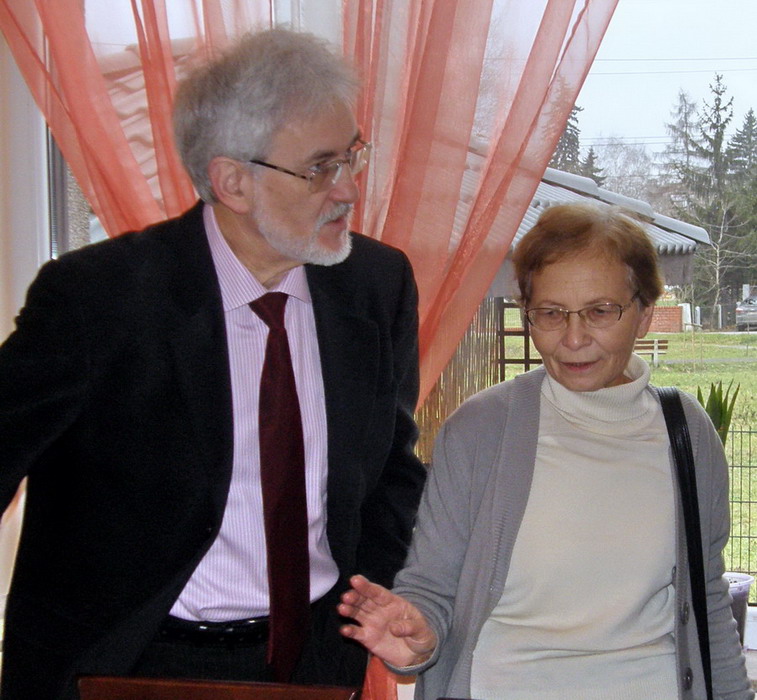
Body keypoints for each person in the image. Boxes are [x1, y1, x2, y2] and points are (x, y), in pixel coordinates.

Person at [0, 28, 426, 700]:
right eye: (320, 168)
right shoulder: (98, 298)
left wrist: (374, 601)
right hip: (126, 666)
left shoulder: (376, 284)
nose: (349, 189)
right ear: (232, 182)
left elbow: (390, 470)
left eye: (352, 156)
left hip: (313, 663)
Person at [339, 203, 753, 700]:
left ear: (644, 315)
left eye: (601, 311)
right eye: (551, 314)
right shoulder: (480, 430)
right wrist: (415, 640)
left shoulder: (687, 431)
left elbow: (706, 600)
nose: (573, 339)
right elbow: (431, 589)